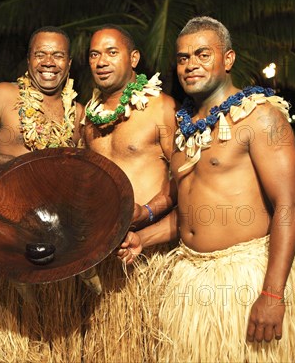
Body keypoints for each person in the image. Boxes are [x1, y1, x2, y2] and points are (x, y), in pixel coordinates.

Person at [158, 16, 295, 361]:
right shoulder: (185, 124)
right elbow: (189, 208)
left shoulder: (261, 117)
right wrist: (143, 236)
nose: (191, 65)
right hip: (190, 276)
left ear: (228, 59)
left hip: (245, 279)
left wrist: (272, 294)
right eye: (183, 58)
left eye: (202, 54)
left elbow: (289, 204)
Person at [0, 26, 85, 361]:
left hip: (56, 234)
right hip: (5, 224)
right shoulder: (4, 95)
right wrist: (21, 165)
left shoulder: (79, 113)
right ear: (28, 59)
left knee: (56, 328)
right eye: (40, 53)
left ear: (68, 64)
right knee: (11, 328)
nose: (48, 61)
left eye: (57, 55)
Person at [80, 24, 178, 361]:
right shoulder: (89, 118)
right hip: (100, 254)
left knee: (154, 348)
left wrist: (147, 213)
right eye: (94, 54)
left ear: (133, 57)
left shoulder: (161, 106)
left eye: (111, 52)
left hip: (149, 256)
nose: (101, 61)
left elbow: (182, 180)